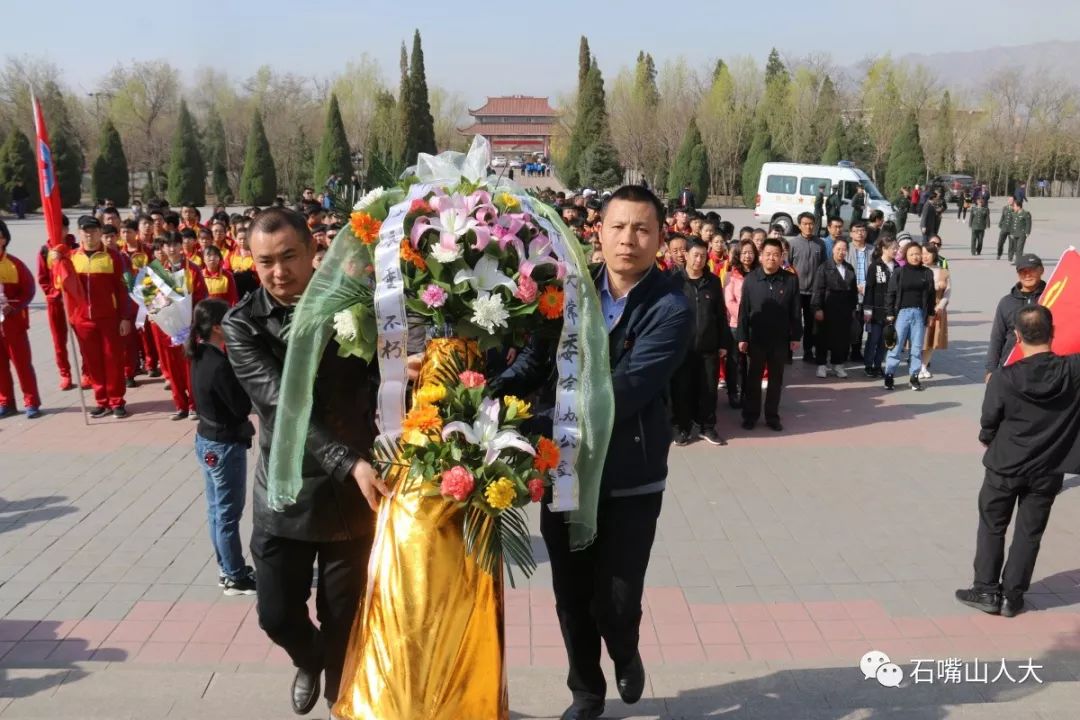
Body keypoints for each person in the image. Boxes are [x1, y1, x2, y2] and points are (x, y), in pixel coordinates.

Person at [491, 185, 692, 720]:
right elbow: (532, 362)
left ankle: (624, 648)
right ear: (597, 232)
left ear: (659, 237)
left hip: (630, 477)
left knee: (617, 601)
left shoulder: (670, 307)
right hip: (563, 472)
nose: (630, 239)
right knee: (572, 596)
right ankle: (586, 690)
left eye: (642, 228)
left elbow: (621, 392)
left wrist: (528, 423)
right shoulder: (569, 292)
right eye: (619, 227)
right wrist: (485, 397)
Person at [223, 208, 381, 716]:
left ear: (315, 250)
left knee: (344, 618)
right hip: (286, 490)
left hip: (352, 496)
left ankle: (342, 699)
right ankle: (307, 659)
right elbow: (284, 406)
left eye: (289, 256)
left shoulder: (357, 302)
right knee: (275, 614)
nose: (278, 272)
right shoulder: (243, 324)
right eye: (265, 261)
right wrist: (349, 461)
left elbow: (386, 375)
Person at [955, 305, 1080, 617]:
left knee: (993, 526)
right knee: (1029, 532)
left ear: (1017, 336)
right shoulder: (1073, 370)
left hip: (1005, 465)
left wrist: (988, 437)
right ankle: (1013, 596)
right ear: (1053, 333)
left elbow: (989, 422)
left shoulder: (1003, 378)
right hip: (1049, 466)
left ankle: (985, 590)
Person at [188, 298, 257, 596]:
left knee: (217, 511)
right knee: (228, 513)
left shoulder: (199, 354)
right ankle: (234, 576)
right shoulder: (219, 364)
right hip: (223, 443)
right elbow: (240, 407)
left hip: (206, 440)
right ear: (218, 327)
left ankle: (226, 567)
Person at [58, 216, 135, 417]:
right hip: (83, 320)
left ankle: (117, 401)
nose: (89, 234)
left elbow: (124, 288)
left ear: (100, 232)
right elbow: (62, 285)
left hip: (110, 318)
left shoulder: (114, 257)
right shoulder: (72, 257)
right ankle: (102, 401)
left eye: (93, 230)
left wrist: (125, 317)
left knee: (113, 360)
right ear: (80, 232)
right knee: (92, 363)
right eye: (85, 230)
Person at [737, 238, 801, 431]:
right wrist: (742, 337)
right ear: (761, 255)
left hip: (779, 340)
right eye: (768, 254)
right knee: (753, 379)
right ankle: (750, 415)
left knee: (776, 380)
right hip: (756, 339)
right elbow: (743, 311)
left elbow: (796, 310)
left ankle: (772, 416)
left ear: (782, 256)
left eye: (776, 255)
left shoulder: (790, 280)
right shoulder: (751, 280)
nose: (771, 258)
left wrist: (796, 336)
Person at [672, 239, 730, 446]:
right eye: (695, 255)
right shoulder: (674, 281)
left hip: (708, 347)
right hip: (681, 349)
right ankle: (681, 428)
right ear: (685, 255)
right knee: (681, 389)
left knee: (709, 389)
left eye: (703, 256)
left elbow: (721, 314)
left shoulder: (712, 281)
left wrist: (724, 342)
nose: (699, 260)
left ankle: (707, 427)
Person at [156, 234, 208, 420]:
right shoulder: (159, 272)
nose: (171, 249)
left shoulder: (192, 270)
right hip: (168, 328)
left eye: (175, 245)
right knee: (173, 369)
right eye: (167, 245)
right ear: (163, 248)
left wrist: (196, 323)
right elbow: (153, 299)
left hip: (189, 327)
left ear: (181, 246)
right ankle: (180, 406)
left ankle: (194, 405)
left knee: (189, 367)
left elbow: (202, 297)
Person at [0, 220, 42, 419]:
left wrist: (13, 306)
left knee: (22, 364)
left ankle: (31, 402)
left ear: (4, 240)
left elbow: (29, 290)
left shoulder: (15, 264)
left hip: (13, 323)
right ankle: (6, 402)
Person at [883, 242, 935, 391]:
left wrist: (931, 313)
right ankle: (889, 375)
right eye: (912, 254)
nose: (915, 256)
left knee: (917, 347)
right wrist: (890, 313)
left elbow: (931, 296)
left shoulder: (927, 273)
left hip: (919, 313)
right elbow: (891, 293)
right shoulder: (899, 272)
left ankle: (914, 377)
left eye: (918, 253)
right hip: (902, 314)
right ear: (906, 255)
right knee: (896, 346)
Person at [985, 254, 1046, 379]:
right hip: (1011, 366)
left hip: (1044, 369)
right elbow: (997, 337)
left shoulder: (1051, 297)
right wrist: (990, 369)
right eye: (1023, 271)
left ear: (1041, 270)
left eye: (1032, 270)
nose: (1027, 275)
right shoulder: (1006, 302)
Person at [36, 215, 79, 391]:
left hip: (75, 302)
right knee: (59, 341)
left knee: (83, 339)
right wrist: (53, 293)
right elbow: (42, 278)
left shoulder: (75, 248)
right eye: (52, 227)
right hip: (56, 302)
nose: (57, 231)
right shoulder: (45, 250)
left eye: (60, 228)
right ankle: (65, 374)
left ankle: (87, 373)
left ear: (67, 229)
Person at [811, 237, 858, 379]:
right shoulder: (824, 267)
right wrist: (817, 308)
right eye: (839, 249)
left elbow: (853, 291)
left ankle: (838, 365)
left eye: (844, 250)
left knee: (841, 339)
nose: (841, 252)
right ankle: (821, 365)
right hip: (827, 308)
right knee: (823, 338)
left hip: (844, 310)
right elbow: (818, 289)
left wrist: (853, 308)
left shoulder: (849, 268)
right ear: (833, 250)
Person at [788, 213, 827, 364]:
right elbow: (788, 266)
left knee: (812, 324)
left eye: (811, 223)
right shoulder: (793, 244)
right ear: (799, 225)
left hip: (814, 292)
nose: (808, 227)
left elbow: (823, 267)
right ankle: (789, 352)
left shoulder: (820, 244)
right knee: (794, 322)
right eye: (805, 223)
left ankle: (808, 351)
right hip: (797, 291)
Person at [723, 241, 758, 408]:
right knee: (734, 361)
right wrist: (745, 317)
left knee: (750, 362)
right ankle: (732, 393)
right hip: (736, 325)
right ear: (738, 254)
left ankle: (747, 393)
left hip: (754, 325)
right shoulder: (731, 275)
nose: (747, 256)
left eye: (750, 252)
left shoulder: (759, 274)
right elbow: (729, 302)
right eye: (744, 252)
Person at [862, 236, 898, 377]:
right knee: (873, 339)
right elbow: (869, 289)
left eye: (897, 248)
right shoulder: (875, 266)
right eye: (893, 248)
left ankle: (878, 365)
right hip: (876, 311)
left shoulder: (897, 267)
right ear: (884, 249)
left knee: (885, 341)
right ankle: (868, 365)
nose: (896, 251)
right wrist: (868, 310)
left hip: (891, 311)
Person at [919, 244, 951, 380]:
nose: (925, 256)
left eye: (928, 253)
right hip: (919, 308)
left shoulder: (943, 271)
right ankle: (915, 365)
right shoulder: (916, 270)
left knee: (931, 340)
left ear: (934, 254)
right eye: (922, 253)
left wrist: (941, 306)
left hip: (937, 309)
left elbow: (948, 292)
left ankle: (923, 366)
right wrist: (934, 287)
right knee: (918, 339)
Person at [847, 221, 873, 361]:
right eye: (856, 231)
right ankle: (845, 350)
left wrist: (868, 286)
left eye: (862, 230)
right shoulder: (846, 249)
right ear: (851, 233)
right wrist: (854, 286)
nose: (860, 233)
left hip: (867, 295)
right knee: (849, 323)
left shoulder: (872, 250)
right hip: (850, 294)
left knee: (862, 323)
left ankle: (856, 351)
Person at [1008, 197, 1033, 264]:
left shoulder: (1026, 213)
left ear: (1019, 207)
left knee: (1019, 248)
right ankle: (1018, 260)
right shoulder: (1014, 214)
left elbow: (1028, 223)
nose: (1013, 208)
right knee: (1015, 248)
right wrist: (1011, 233)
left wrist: (1027, 232)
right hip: (1015, 233)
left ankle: (1018, 261)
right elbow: (1012, 224)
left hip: (1022, 234)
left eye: (1014, 206)